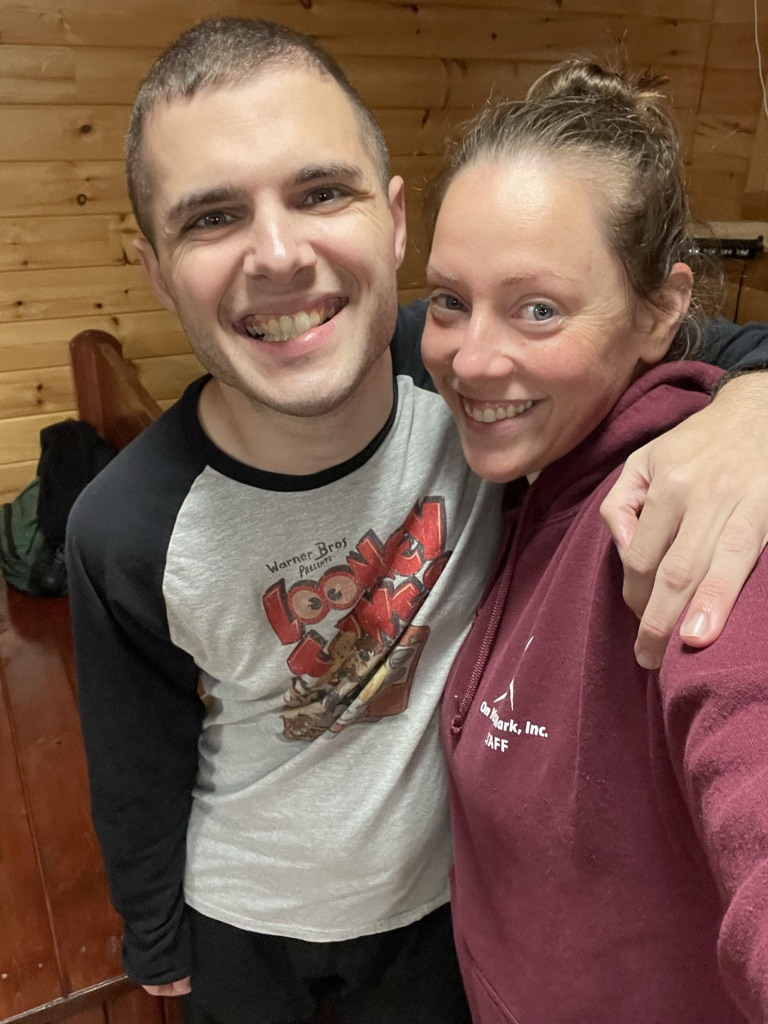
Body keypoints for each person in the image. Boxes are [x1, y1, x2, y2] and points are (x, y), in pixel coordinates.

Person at [65, 17, 768, 1024]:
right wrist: (153, 932)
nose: (278, 254)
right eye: (212, 217)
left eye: (321, 192)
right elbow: (135, 749)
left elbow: (702, 345)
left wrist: (755, 410)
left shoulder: (473, 397)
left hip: (439, 909)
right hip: (242, 914)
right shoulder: (125, 524)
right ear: (155, 267)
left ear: (393, 221)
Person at [422, 59, 768, 1023]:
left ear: (661, 311)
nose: (472, 359)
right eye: (449, 300)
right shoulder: (537, 467)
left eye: (538, 309)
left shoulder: (696, 521)